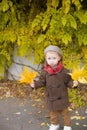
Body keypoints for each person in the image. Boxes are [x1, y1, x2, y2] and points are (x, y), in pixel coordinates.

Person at [30, 45, 78, 130]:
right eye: (49, 58)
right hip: (51, 97)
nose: (51, 61)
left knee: (65, 113)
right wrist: (35, 84)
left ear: (59, 58)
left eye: (54, 58)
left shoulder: (64, 71)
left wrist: (74, 84)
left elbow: (68, 82)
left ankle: (67, 126)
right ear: (46, 59)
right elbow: (41, 82)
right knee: (53, 113)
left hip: (62, 97)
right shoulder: (44, 72)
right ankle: (55, 124)